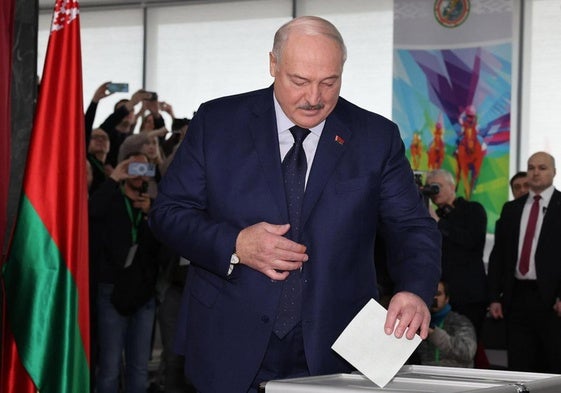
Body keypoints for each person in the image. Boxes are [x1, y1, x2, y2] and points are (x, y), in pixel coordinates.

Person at [149, 16, 441, 393]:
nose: (314, 98)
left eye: (329, 82)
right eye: (299, 81)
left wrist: (415, 289)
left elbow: (412, 227)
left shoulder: (376, 138)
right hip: (228, 337)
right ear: (273, 65)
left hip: (335, 346)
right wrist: (235, 245)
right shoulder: (218, 122)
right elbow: (168, 214)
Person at [89, 151, 157, 393]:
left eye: (144, 169)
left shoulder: (154, 206)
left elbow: (165, 245)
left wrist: (153, 213)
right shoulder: (112, 200)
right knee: (109, 366)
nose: (139, 174)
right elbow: (91, 211)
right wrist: (114, 177)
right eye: (133, 167)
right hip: (111, 289)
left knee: (139, 367)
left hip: (144, 294)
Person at [488, 151, 561, 373]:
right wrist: (494, 297)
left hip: (552, 300)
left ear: (554, 172)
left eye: (542, 167)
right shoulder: (512, 209)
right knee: (520, 364)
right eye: (531, 168)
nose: (535, 172)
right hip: (516, 297)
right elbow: (498, 256)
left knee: (553, 363)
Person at [425, 169, 488, 339]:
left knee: (466, 346)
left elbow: (470, 241)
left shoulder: (473, 210)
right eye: (429, 187)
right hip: (439, 295)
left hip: (468, 295)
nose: (433, 191)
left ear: (452, 186)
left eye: (437, 186)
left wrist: (438, 223)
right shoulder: (431, 216)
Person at [416, 280, 477, 368]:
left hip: (456, 375)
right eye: (430, 293)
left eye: (438, 294)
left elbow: (467, 353)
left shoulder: (460, 321)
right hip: (425, 374)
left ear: (447, 298)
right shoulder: (418, 320)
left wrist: (433, 333)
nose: (434, 298)